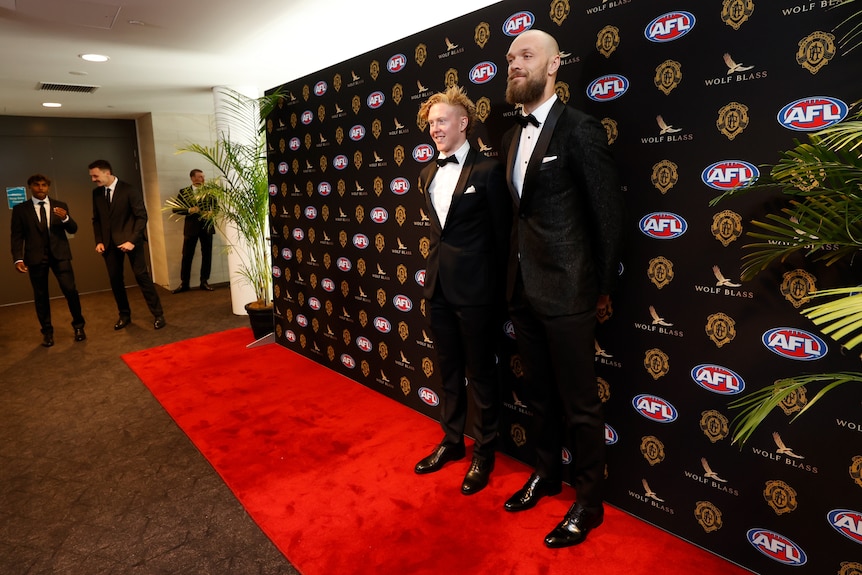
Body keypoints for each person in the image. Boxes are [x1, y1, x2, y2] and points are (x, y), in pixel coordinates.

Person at [500, 30, 624, 547]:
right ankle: (546, 474)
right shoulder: (510, 136)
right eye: (510, 59)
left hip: (571, 291)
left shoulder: (579, 129)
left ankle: (589, 503)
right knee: (539, 396)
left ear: (554, 65)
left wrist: (598, 288)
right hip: (524, 291)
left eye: (525, 56)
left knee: (579, 404)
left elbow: (608, 216)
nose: (514, 65)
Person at [413, 86, 510, 495]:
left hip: (477, 294)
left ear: (463, 123)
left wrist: (502, 294)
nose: (435, 128)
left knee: (481, 375)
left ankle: (485, 452)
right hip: (438, 289)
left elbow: (505, 237)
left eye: (443, 120)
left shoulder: (489, 171)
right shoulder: (427, 173)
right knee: (448, 372)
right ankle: (452, 442)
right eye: (432, 122)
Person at [88, 159, 166, 330]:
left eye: (95, 175)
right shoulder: (96, 194)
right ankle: (124, 315)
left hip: (131, 241)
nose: (93, 179)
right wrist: (99, 240)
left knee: (142, 277)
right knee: (115, 280)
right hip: (108, 244)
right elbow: (96, 220)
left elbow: (141, 217)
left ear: (107, 172)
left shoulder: (129, 190)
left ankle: (158, 314)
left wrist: (131, 240)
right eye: (92, 176)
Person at [10, 174, 86, 346]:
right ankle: (47, 332)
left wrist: (66, 217)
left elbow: (73, 228)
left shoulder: (60, 206)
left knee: (70, 290)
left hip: (60, 255)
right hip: (36, 258)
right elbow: (16, 236)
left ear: (48, 187)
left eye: (44, 185)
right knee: (41, 296)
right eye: (37, 185)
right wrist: (17, 259)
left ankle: (79, 326)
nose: (40, 188)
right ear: (30, 186)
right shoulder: (21, 209)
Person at [171, 168, 216, 293]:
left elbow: (216, 207)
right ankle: (184, 283)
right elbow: (175, 209)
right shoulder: (184, 192)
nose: (203, 179)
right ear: (193, 178)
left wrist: (212, 213)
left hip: (207, 227)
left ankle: (204, 281)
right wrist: (189, 210)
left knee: (207, 255)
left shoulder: (209, 192)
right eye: (200, 177)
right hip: (191, 228)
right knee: (187, 256)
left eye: (203, 176)